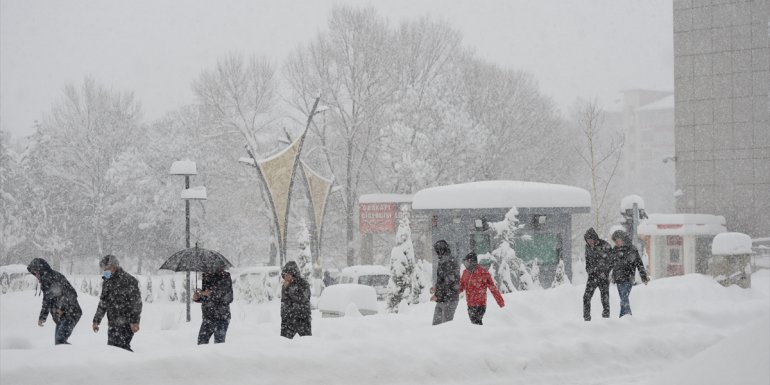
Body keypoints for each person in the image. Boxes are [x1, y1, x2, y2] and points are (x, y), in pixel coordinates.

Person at [92, 254, 142, 351]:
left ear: (114, 267)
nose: (105, 271)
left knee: (122, 349)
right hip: (112, 323)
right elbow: (103, 302)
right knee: (113, 350)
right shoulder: (107, 282)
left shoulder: (129, 281)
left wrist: (135, 321)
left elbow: (137, 304)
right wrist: (96, 320)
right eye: (103, 269)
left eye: (106, 269)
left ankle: (135, 365)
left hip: (126, 323)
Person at [27, 258, 82, 345]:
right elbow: (46, 301)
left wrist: (62, 308)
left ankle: (77, 356)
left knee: (60, 341)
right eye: (34, 272)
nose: (36, 274)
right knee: (59, 342)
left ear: (40, 270)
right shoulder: (45, 281)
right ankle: (67, 357)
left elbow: (71, 293)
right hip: (63, 316)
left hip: (71, 313)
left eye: (36, 271)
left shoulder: (53, 277)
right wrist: (42, 317)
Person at [609, 230, 650, 317]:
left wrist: (644, 277)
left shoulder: (632, 249)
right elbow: (612, 264)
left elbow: (639, 264)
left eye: (617, 241)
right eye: (615, 241)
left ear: (622, 239)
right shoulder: (615, 250)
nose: (616, 243)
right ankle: (625, 317)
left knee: (624, 297)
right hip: (618, 279)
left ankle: (626, 317)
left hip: (628, 278)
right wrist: (611, 276)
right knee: (623, 299)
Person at [459, 252, 505, 325]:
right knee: (474, 324)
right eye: (465, 262)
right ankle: (481, 334)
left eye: (467, 262)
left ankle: (481, 335)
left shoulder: (483, 273)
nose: (466, 264)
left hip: (480, 305)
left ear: (473, 262)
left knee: (476, 323)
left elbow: (493, 288)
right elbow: (461, 287)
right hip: (470, 305)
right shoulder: (465, 273)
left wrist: (500, 302)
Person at [192, 266, 233, 344]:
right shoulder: (206, 277)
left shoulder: (225, 277)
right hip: (207, 318)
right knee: (201, 343)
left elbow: (229, 298)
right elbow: (206, 299)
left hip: (221, 317)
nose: (206, 271)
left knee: (219, 344)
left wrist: (210, 293)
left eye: (208, 268)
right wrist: (197, 298)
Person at [582, 228, 612, 321]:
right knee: (586, 297)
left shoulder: (605, 246)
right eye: (587, 240)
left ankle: (606, 317)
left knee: (604, 297)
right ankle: (586, 318)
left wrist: (605, 271)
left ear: (595, 238)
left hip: (603, 276)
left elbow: (611, 261)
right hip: (592, 276)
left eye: (591, 239)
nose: (589, 242)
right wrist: (589, 270)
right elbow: (587, 260)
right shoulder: (587, 247)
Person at [430, 240, 460, 325]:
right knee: (436, 325)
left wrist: (437, 295)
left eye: (437, 250)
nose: (436, 253)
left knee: (445, 327)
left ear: (441, 250)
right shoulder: (442, 261)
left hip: (450, 299)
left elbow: (449, 282)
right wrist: (436, 288)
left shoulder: (450, 261)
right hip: (442, 299)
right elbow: (441, 280)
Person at [280, 261, 311, 339]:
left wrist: (289, 289)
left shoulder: (303, 284)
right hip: (287, 322)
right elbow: (284, 302)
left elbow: (303, 299)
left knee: (306, 344)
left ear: (293, 274)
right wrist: (284, 315)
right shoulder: (285, 286)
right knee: (284, 346)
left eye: (287, 275)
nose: (285, 277)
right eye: (284, 275)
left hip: (302, 321)